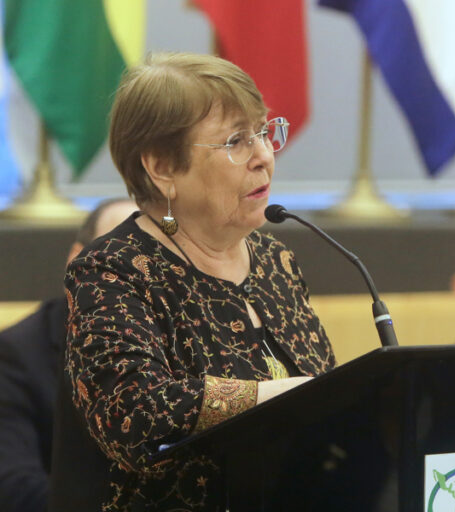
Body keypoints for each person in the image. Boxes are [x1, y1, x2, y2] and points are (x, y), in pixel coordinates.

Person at [55, 52, 336, 511]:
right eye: (236, 141)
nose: (264, 156)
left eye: (265, 132)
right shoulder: (111, 270)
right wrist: (280, 394)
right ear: (162, 166)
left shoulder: (275, 260)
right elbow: (135, 413)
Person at [0, 198, 136, 512]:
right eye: (121, 255)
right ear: (78, 259)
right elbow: (12, 488)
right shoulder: (15, 354)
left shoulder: (182, 341)